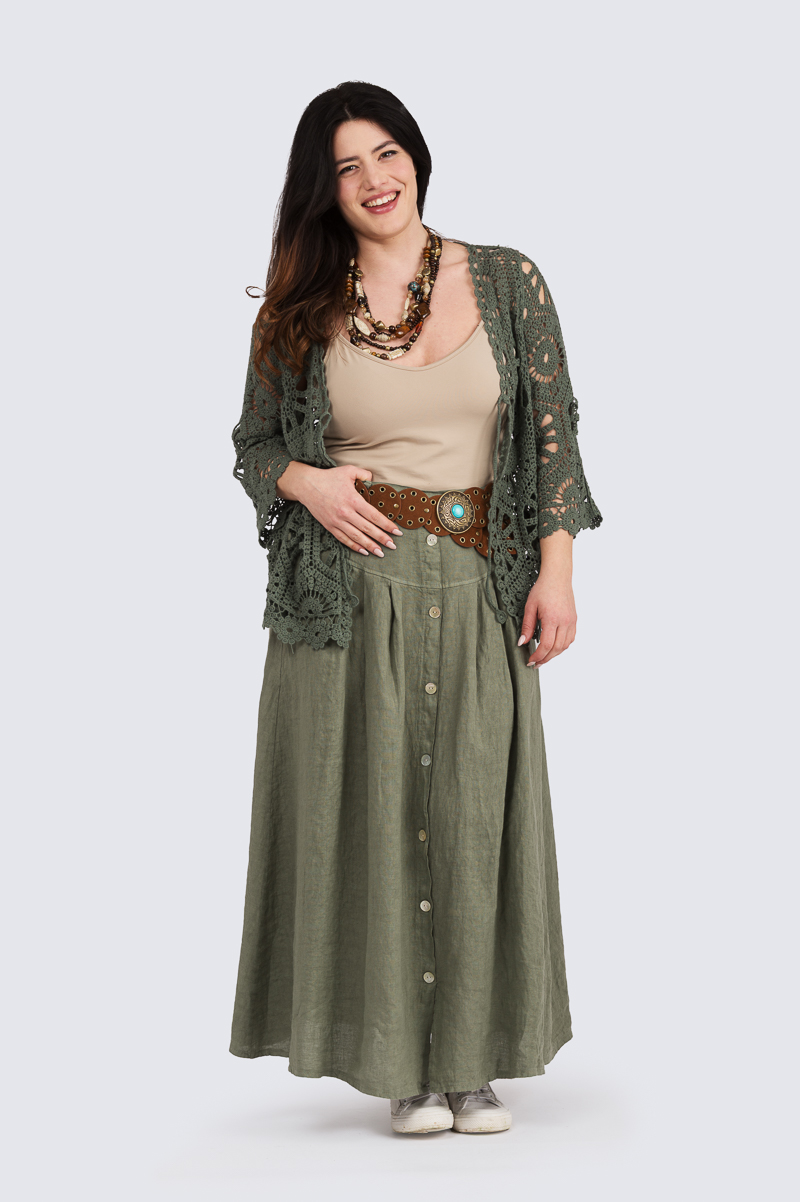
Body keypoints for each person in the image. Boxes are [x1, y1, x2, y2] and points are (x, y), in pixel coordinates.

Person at [229, 80, 602, 1136]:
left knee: (478, 811)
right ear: (324, 190)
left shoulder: (508, 280)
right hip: (344, 596)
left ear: (416, 156)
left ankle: (474, 1061)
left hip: (481, 580)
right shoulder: (299, 306)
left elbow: (553, 435)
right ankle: (404, 1067)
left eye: (386, 152)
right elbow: (255, 445)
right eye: (346, 167)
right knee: (374, 819)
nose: (374, 179)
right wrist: (308, 482)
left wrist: (557, 570)